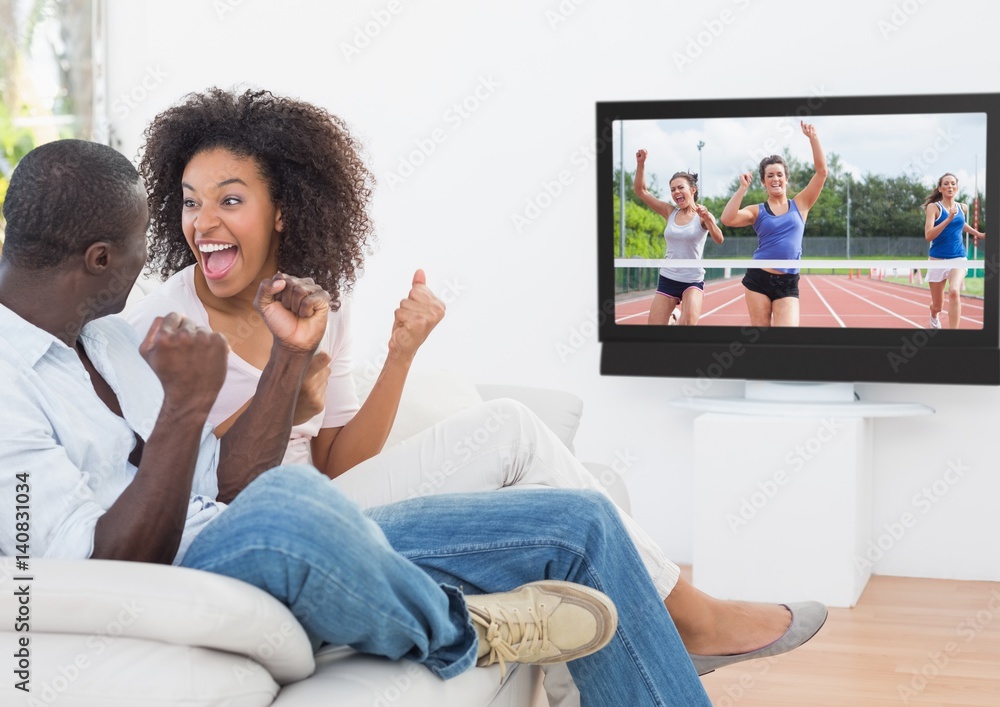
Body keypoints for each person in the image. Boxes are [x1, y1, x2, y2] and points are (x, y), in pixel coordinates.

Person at [124, 89, 828, 688]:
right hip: (278, 528)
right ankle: (688, 614)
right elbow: (183, 491)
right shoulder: (159, 326)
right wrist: (284, 388)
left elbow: (339, 458)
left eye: (230, 200)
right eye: (189, 203)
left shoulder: (314, 301)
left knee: (524, 441)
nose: (202, 224)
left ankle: (649, 624)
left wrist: (400, 353)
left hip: (335, 492)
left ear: (283, 211)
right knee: (536, 464)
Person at [0, 139, 722, 705]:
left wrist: (290, 355)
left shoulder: (110, 340)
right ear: (99, 258)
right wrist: (186, 410)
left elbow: (223, 486)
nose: (159, 253)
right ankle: (461, 628)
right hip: (187, 571)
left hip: (246, 532)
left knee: (580, 522)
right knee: (291, 500)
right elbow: (96, 569)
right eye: (136, 244)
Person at [721, 121, 828, 327]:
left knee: (786, 337)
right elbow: (727, 219)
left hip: (788, 281)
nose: (775, 179)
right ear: (763, 181)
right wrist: (742, 188)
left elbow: (821, 172)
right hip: (758, 279)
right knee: (761, 338)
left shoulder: (801, 204)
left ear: (787, 178)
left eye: (779, 174)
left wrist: (813, 137)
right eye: (770, 175)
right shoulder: (756, 210)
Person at [633, 150, 724, 326]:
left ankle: (676, 319)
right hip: (668, 277)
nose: (676, 192)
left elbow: (719, 239)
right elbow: (641, 191)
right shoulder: (669, 212)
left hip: (692, 279)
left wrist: (708, 220)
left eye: (680, 187)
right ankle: (674, 317)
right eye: (673, 189)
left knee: (688, 325)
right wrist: (641, 164)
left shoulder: (702, 215)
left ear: (693, 190)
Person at [922, 173, 985, 329]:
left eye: (953, 183)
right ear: (940, 188)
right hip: (937, 260)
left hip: (958, 258)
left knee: (954, 291)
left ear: (956, 187)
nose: (950, 186)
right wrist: (948, 219)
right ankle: (934, 314)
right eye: (946, 184)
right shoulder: (934, 207)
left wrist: (978, 234)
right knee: (937, 306)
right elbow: (929, 236)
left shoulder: (962, 207)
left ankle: (953, 334)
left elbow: (961, 224)